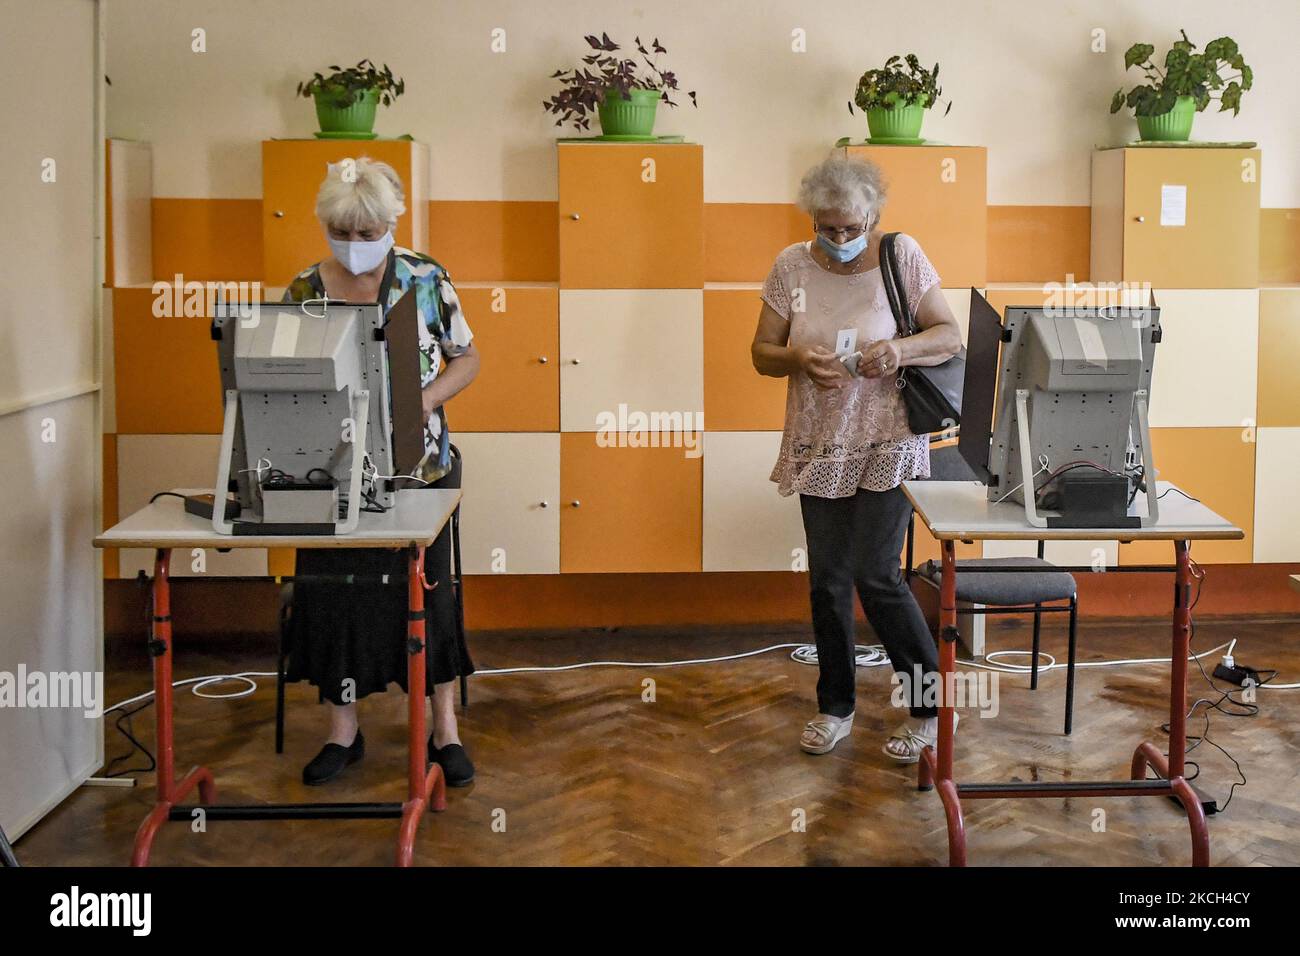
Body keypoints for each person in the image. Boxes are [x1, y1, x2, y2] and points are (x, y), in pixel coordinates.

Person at [751, 154, 963, 761]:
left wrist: (898, 350)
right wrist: (798, 359)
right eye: (828, 225)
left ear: (873, 215)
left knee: (877, 574)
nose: (840, 238)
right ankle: (835, 705)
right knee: (828, 581)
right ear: (811, 217)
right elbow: (762, 352)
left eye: (852, 226)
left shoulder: (901, 255)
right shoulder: (790, 265)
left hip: (888, 436)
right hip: (819, 439)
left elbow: (948, 334)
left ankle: (930, 706)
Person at [281, 157, 480, 786]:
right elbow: (280, 378)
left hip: (421, 468)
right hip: (331, 472)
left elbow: (467, 357)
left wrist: (423, 399)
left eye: (370, 234)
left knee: (432, 598)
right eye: (345, 233)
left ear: (390, 226)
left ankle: (442, 731)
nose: (357, 246)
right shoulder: (304, 291)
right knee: (334, 597)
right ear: (326, 227)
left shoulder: (425, 279)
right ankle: (344, 732)